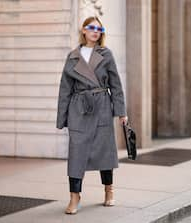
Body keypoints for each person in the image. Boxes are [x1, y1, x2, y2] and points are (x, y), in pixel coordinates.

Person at [56, 16, 128, 215]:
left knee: (105, 152)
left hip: (102, 107)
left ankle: (109, 190)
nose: (96, 31)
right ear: (84, 30)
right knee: (76, 155)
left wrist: (121, 112)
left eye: (99, 28)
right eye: (92, 27)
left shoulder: (106, 54)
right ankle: (74, 196)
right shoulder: (72, 56)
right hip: (79, 110)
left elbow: (116, 85)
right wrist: (62, 117)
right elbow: (65, 89)